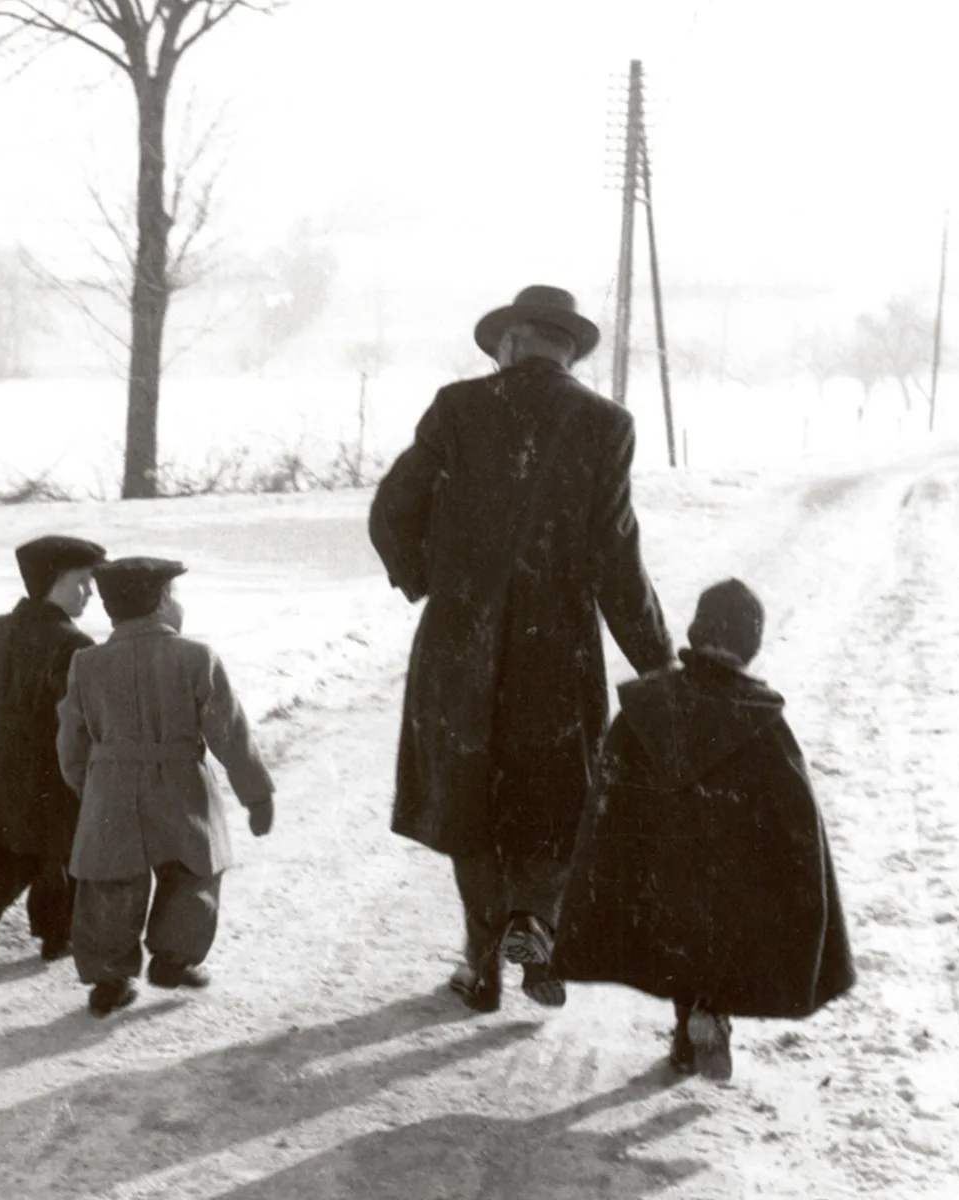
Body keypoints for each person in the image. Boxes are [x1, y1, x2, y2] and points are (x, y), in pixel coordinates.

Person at [369, 284, 676, 1014]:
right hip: (556, 648)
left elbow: (390, 511)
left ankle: (482, 966)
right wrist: (656, 660)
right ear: (568, 349)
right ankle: (537, 926)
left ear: (510, 343)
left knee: (471, 801)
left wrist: (426, 581)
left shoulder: (457, 408)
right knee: (552, 796)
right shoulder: (605, 424)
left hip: (459, 645)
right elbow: (615, 555)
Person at [550, 579, 856, 1080]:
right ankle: (709, 1016)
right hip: (731, 878)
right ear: (749, 646)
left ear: (695, 631)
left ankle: (688, 1025)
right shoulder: (763, 723)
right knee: (718, 930)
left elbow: (608, 790)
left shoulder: (647, 709)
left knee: (676, 932)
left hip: (662, 871)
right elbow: (796, 815)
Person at [56, 557, 276, 1016]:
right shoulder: (196, 658)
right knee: (195, 870)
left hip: (111, 785)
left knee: (108, 881)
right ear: (160, 603)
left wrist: (85, 785)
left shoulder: (87, 663)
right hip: (180, 784)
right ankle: (174, 957)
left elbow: (71, 737)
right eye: (174, 595)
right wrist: (255, 793)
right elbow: (229, 734)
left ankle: (109, 978)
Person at [0, 535, 108, 968]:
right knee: (59, 844)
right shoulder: (75, 645)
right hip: (48, 756)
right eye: (83, 582)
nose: (90, 593)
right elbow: (79, 715)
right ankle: (57, 934)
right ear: (56, 581)